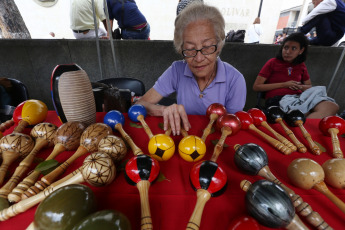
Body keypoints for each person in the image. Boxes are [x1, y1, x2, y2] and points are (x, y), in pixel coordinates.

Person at [136, 3, 246, 135]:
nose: (199, 58)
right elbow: (139, 105)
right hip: (183, 139)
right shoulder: (176, 70)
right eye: (190, 49)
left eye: (207, 47)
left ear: (219, 45)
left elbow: (232, 128)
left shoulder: (235, 80)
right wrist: (163, 110)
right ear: (181, 49)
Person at [253, 33, 339, 119]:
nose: (288, 52)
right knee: (304, 112)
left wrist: (300, 87)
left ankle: (304, 129)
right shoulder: (273, 62)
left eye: (293, 48)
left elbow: (309, 87)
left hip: (299, 98)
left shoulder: (301, 65)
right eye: (285, 47)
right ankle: (303, 129)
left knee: (332, 106)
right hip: (278, 99)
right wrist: (284, 84)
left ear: (301, 51)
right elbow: (256, 87)